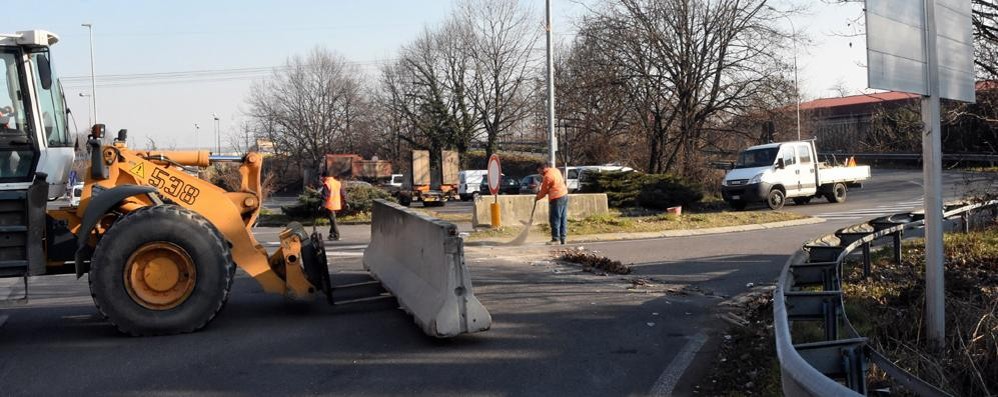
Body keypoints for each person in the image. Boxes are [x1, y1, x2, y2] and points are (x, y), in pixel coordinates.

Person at [535, 161, 569, 245]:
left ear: (542, 169)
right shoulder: (555, 170)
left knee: (555, 219)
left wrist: (537, 197)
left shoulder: (547, 177)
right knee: (563, 218)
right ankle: (563, 238)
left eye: (538, 171)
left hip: (556, 197)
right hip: (564, 194)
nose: (539, 173)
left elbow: (544, 191)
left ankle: (555, 239)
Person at [320, 171, 348, 241]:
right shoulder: (337, 183)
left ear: (325, 177)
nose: (321, 179)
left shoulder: (327, 184)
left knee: (333, 221)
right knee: (333, 219)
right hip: (337, 204)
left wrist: (322, 205)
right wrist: (346, 202)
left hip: (330, 205)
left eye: (321, 177)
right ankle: (332, 234)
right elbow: (343, 193)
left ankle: (336, 235)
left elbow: (325, 196)